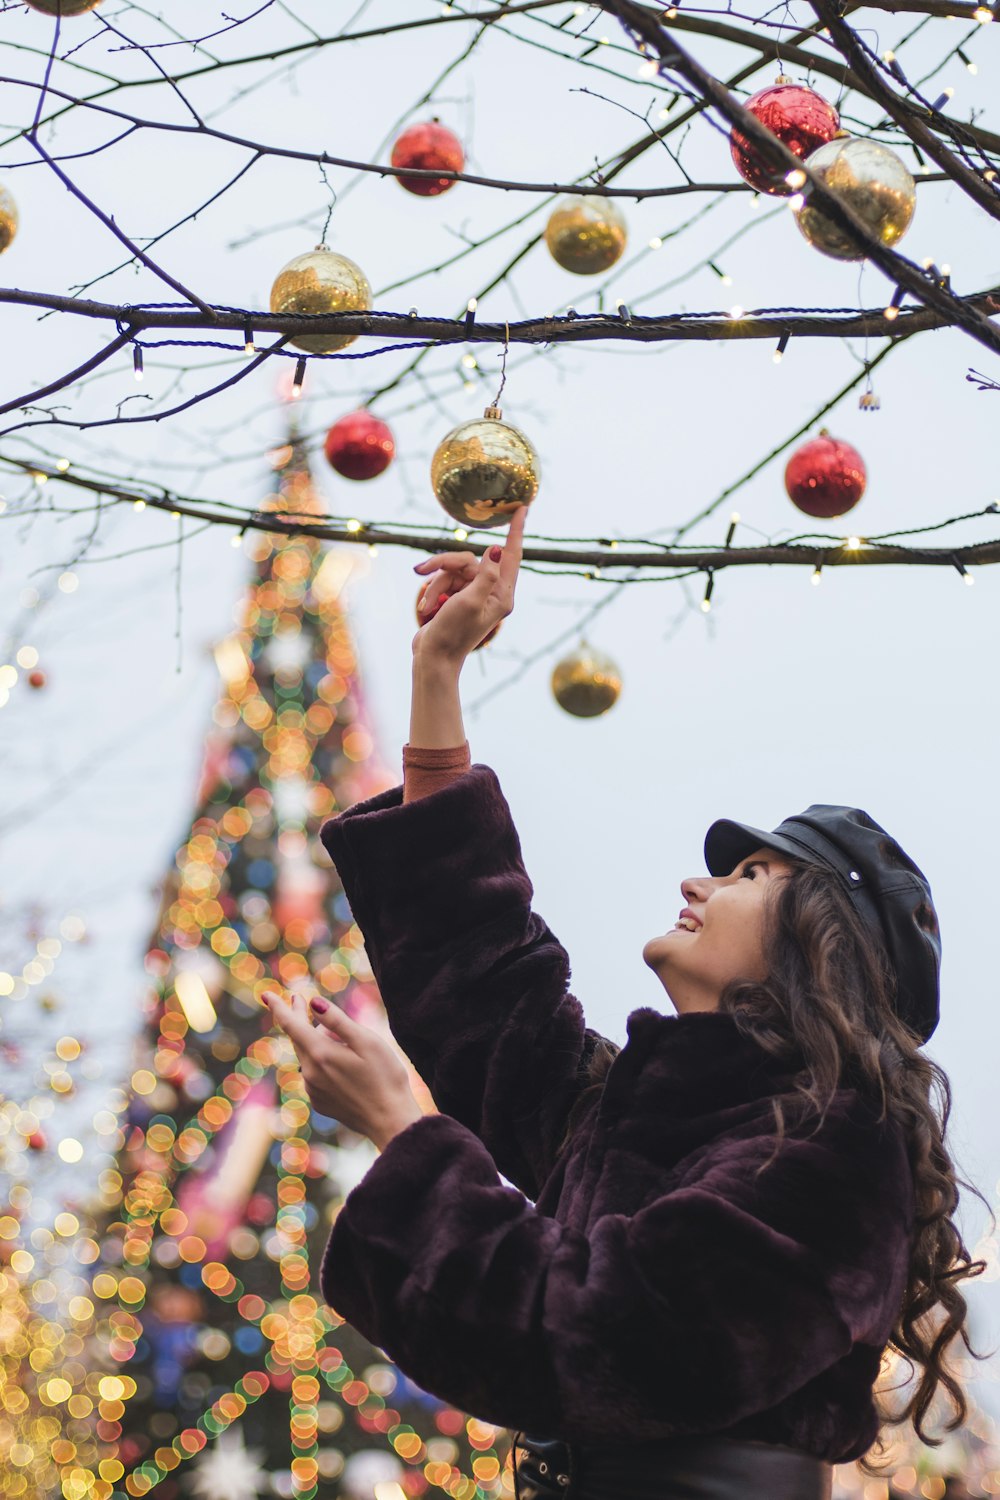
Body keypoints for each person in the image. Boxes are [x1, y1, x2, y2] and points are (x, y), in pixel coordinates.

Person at [263, 507, 983, 1500]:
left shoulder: (832, 1156)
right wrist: (438, 674)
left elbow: (596, 1344)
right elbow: (482, 991)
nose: (699, 882)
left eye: (750, 875)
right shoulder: (645, 1111)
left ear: (819, 951)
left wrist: (404, 1129)